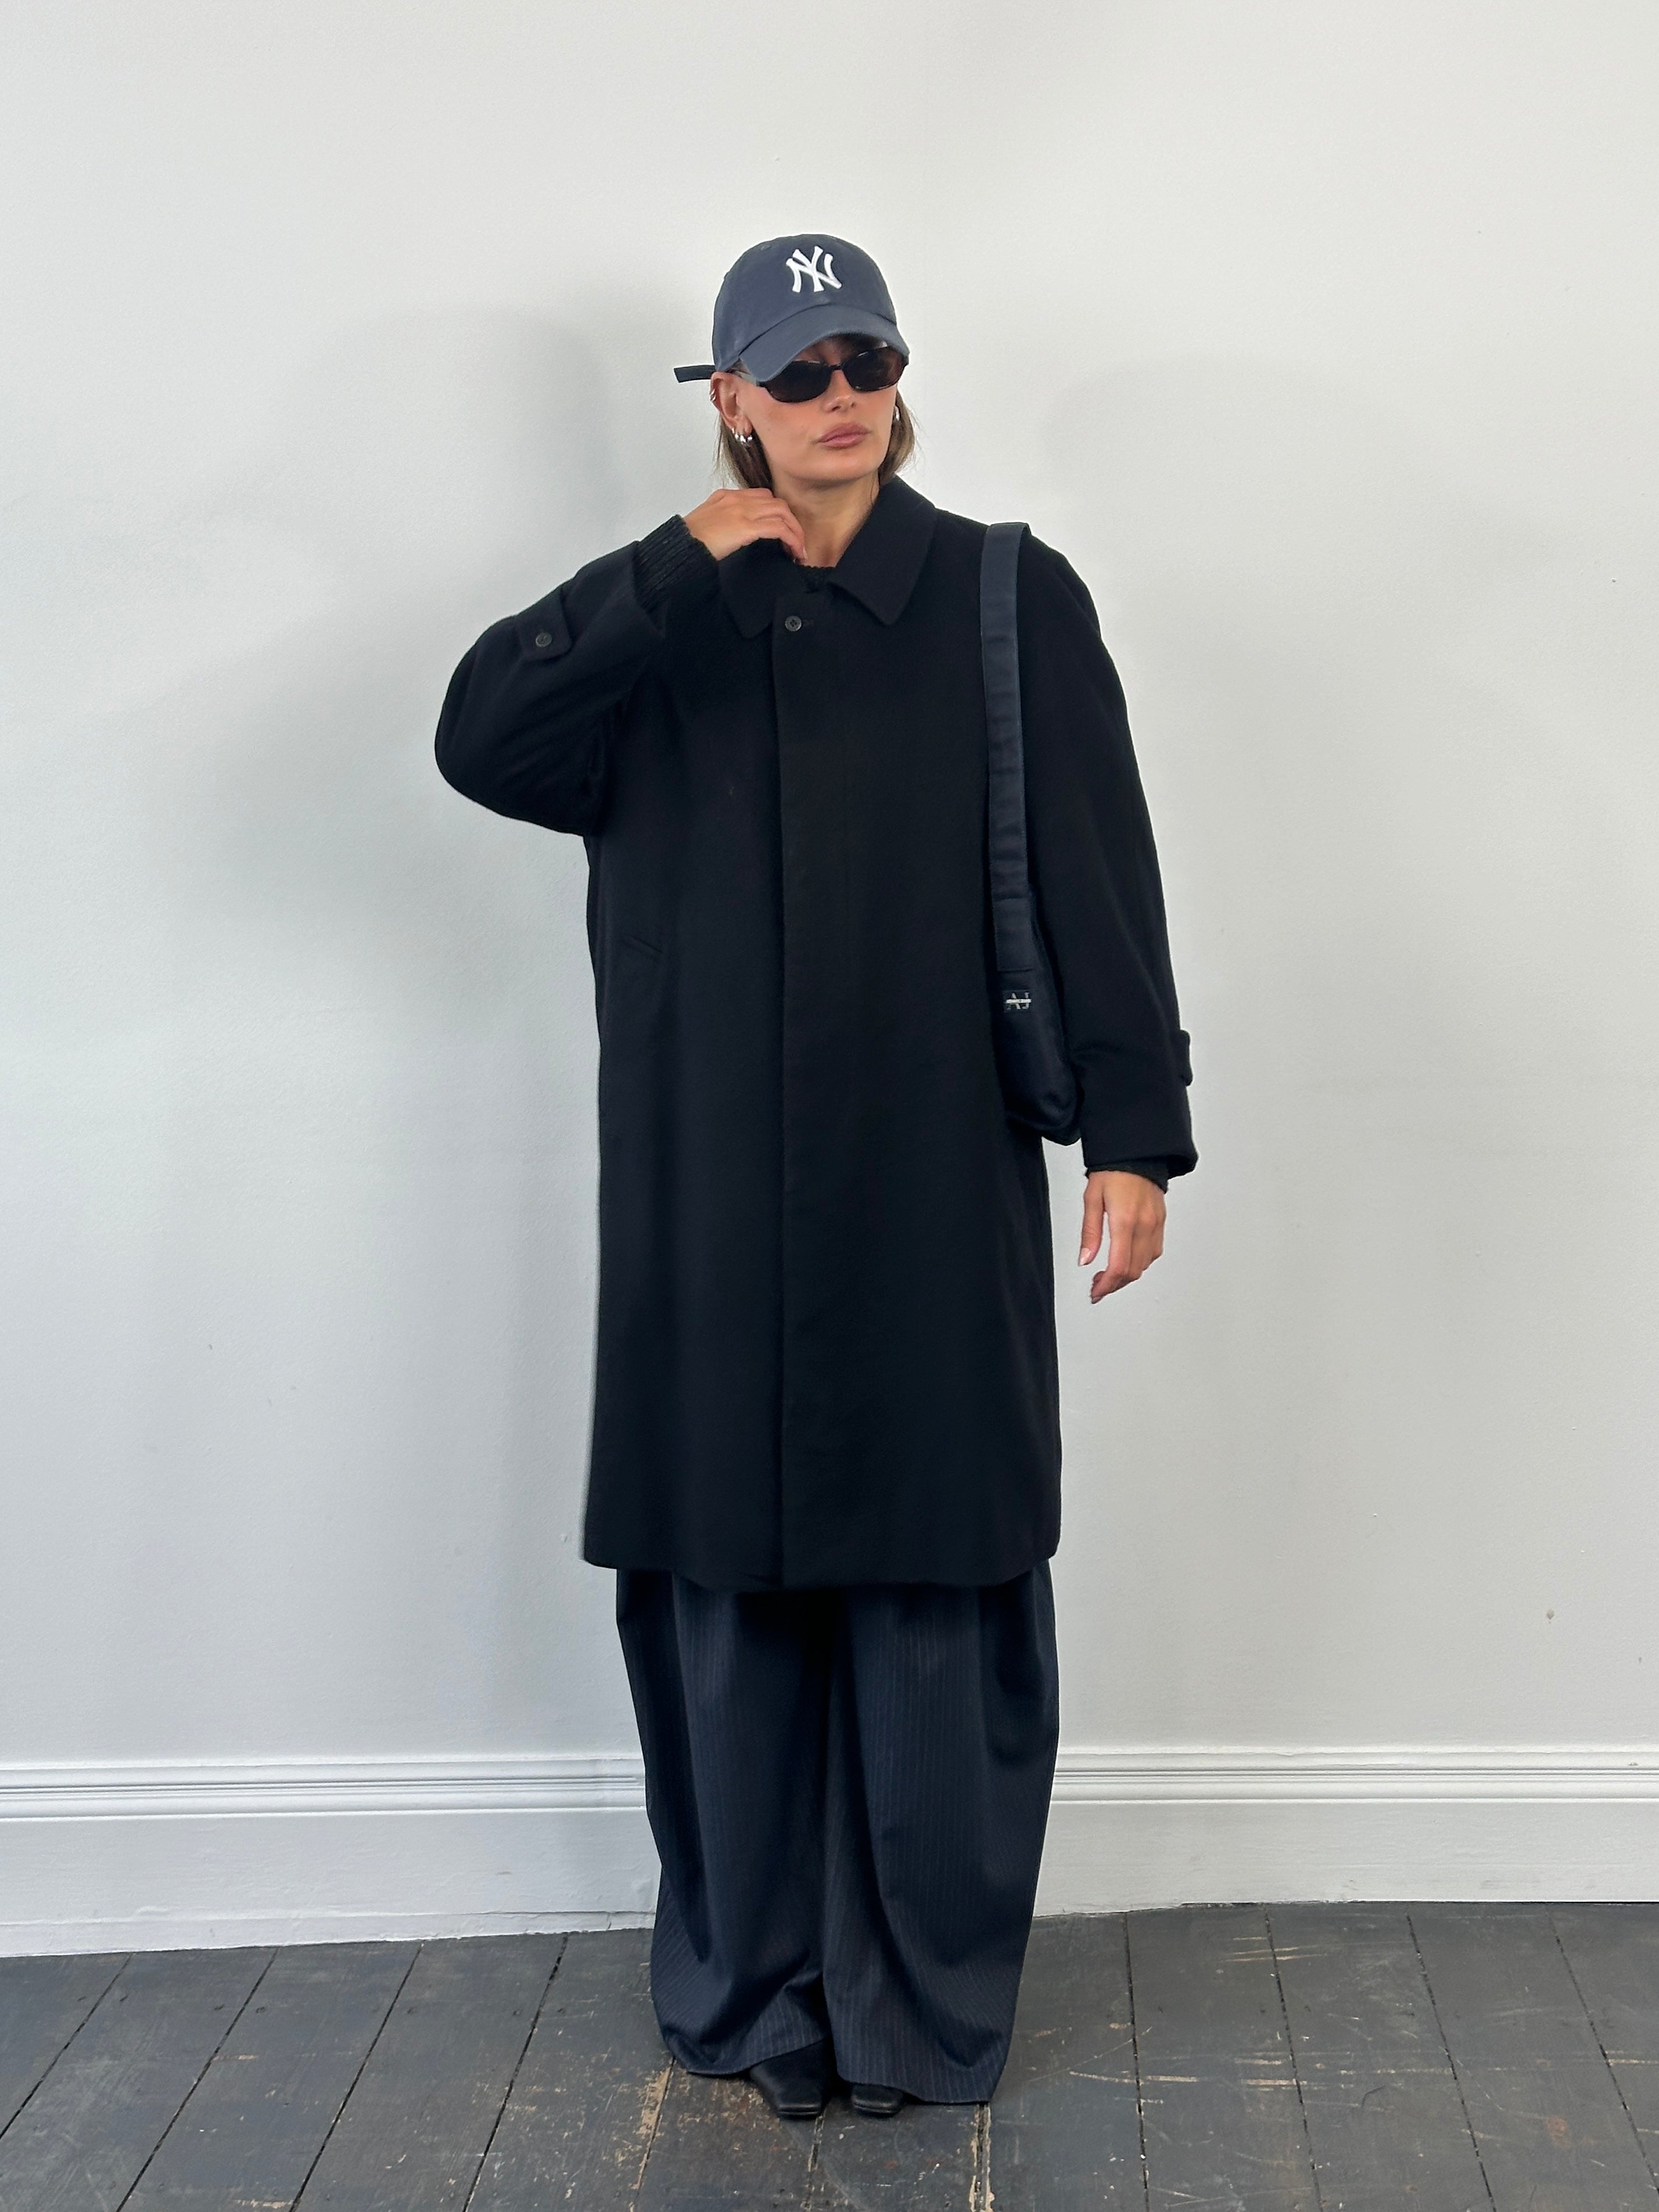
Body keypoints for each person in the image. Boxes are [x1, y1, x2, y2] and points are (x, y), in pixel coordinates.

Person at [433, 232, 1196, 2121]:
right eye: (797, 370)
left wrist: (1136, 1134)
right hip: (703, 1194)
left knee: (940, 1573)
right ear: (732, 402)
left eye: (868, 360)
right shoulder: (655, 625)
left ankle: (921, 2007)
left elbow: (1101, 869)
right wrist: (670, 563)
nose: (841, 396)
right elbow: (481, 740)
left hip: (933, 1173)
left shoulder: (1009, 598)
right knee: (726, 1586)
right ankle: (754, 1994)